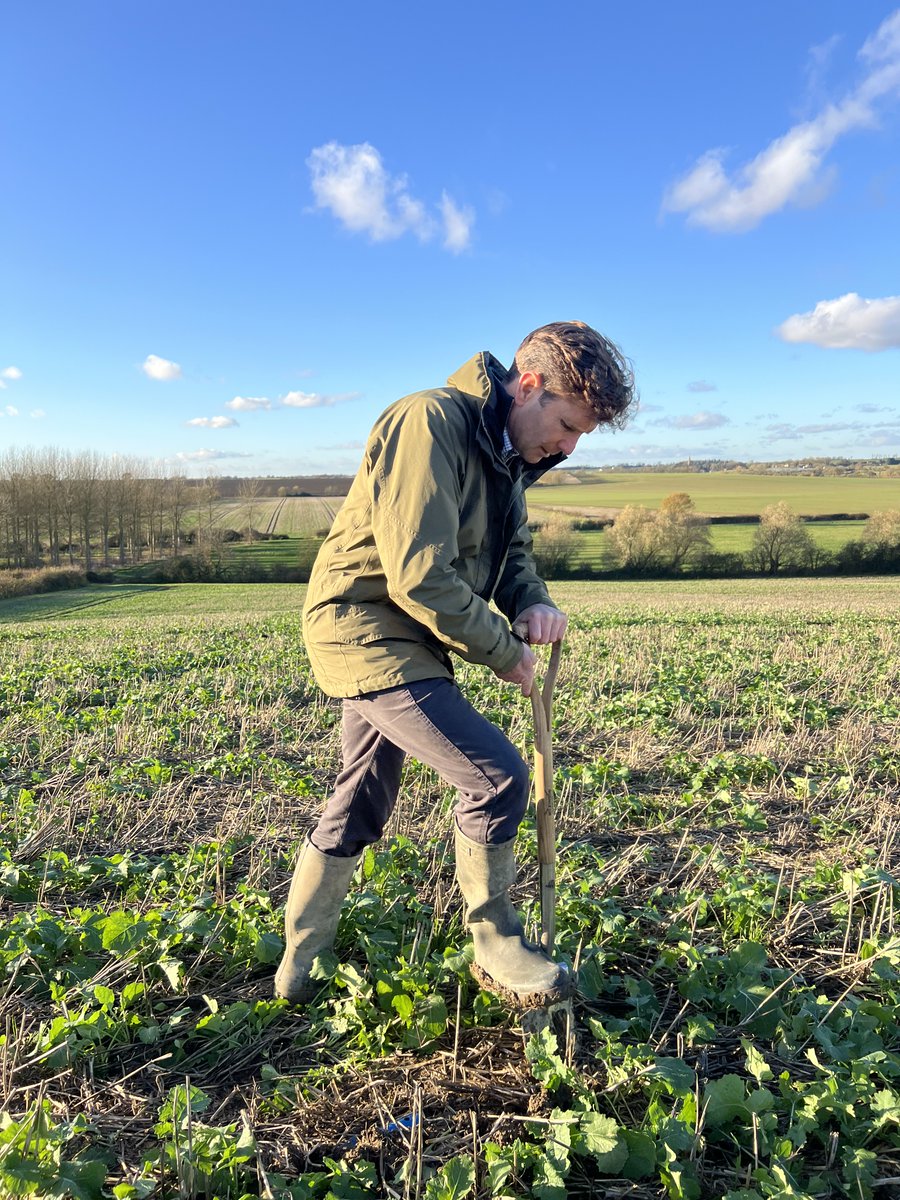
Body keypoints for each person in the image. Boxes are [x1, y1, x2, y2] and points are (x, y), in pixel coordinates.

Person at [274, 321, 635, 1009]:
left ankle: (296, 969)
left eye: (580, 434)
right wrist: (504, 652)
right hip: (366, 628)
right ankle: (495, 943)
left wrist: (531, 602)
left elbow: (513, 554)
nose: (568, 445)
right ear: (527, 385)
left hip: (413, 639)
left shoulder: (507, 458)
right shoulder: (431, 422)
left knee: (361, 797)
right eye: (565, 424)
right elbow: (420, 576)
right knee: (497, 778)